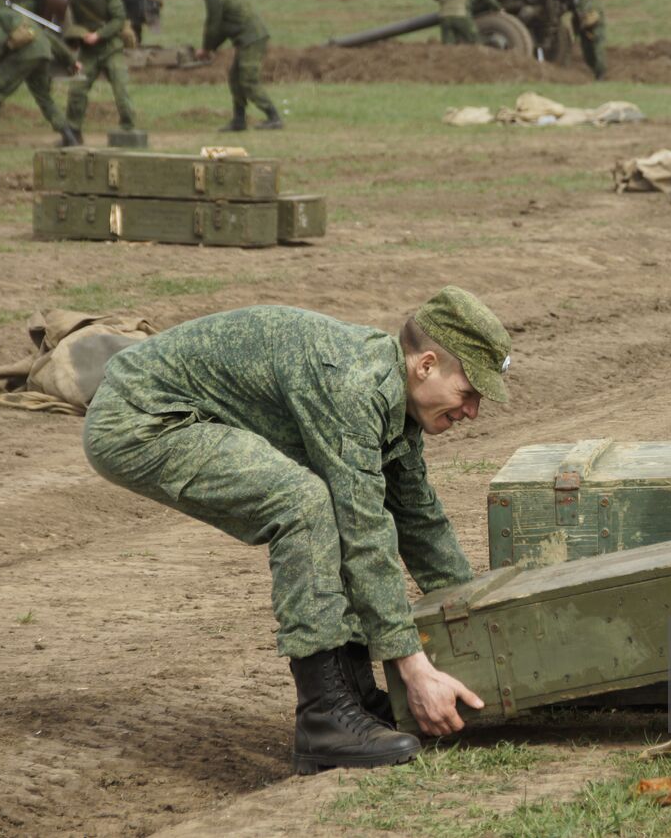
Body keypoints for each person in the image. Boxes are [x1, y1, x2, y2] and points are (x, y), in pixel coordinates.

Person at [82, 287, 511, 774]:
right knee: (304, 504)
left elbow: (419, 520)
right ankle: (324, 719)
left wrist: (481, 621)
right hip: (141, 418)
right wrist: (415, 671)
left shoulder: (394, 399)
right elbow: (364, 532)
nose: (472, 411)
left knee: (330, 501)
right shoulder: (353, 387)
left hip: (177, 409)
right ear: (426, 365)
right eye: (468, 393)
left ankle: (354, 696)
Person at [0, 0, 80, 150]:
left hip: (23, 55)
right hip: (42, 53)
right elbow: (48, 38)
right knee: (44, 97)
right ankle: (69, 137)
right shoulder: (18, 15)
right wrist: (71, 61)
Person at [189, 0, 282, 132]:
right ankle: (239, 121)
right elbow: (223, 28)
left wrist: (206, 49)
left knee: (247, 80)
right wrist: (211, 48)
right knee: (235, 79)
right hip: (247, 40)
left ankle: (273, 117)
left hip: (252, 40)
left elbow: (213, 27)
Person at [64, 0, 137, 140]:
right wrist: (77, 34)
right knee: (77, 89)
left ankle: (127, 129)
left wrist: (99, 35)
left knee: (120, 89)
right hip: (88, 52)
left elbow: (119, 18)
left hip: (111, 48)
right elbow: (66, 17)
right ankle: (73, 132)